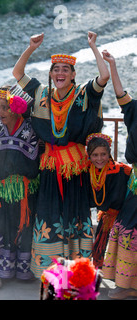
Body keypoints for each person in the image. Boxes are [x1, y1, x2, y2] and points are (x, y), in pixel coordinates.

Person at [12, 31, 110, 277]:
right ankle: (51, 268)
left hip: (74, 166)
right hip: (49, 165)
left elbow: (104, 76)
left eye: (65, 70)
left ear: (73, 74)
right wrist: (31, 48)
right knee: (49, 213)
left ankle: (77, 269)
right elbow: (17, 74)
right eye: (56, 69)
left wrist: (93, 47)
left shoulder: (84, 94)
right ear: (51, 73)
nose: (60, 74)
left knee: (75, 215)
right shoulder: (41, 93)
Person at [0, 85, 41, 288]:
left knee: (22, 227)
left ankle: (22, 269)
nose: (0, 111)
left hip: (24, 189)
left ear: (17, 109)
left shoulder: (32, 128)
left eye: (5, 107)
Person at [101, 50, 137, 299]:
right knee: (127, 228)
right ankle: (126, 285)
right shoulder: (134, 110)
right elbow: (120, 94)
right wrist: (112, 65)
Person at [85, 133, 131, 269]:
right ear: (89, 156)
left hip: (120, 217)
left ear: (109, 153)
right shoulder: (87, 171)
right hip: (105, 217)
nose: (99, 159)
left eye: (103, 154)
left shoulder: (121, 171)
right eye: (95, 155)